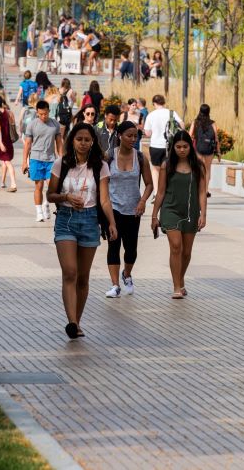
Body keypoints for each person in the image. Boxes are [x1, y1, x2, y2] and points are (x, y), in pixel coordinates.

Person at [46, 122, 118, 339]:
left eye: (87, 140)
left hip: (90, 220)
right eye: (79, 139)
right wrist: (66, 197)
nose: (83, 143)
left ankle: (76, 322)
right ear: (72, 141)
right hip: (66, 220)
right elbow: (50, 195)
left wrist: (112, 223)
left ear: (93, 142)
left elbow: (104, 199)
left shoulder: (100, 166)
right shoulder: (62, 163)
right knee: (70, 271)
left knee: (83, 278)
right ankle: (72, 321)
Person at [151, 130, 206, 299]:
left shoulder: (198, 165)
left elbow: (202, 192)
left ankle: (181, 279)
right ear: (173, 147)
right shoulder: (166, 166)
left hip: (191, 211)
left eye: (185, 146)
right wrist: (154, 216)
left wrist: (203, 214)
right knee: (176, 247)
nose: (182, 150)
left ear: (190, 146)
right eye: (178, 147)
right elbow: (160, 193)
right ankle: (176, 286)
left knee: (187, 252)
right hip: (170, 210)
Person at [105, 121, 153, 298]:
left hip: (134, 210)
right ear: (120, 136)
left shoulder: (140, 158)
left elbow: (149, 184)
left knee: (131, 248)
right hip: (113, 208)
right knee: (113, 245)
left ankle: (126, 274)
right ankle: (115, 285)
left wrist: (142, 201)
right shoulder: (108, 156)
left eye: (135, 135)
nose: (133, 139)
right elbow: (102, 183)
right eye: (129, 135)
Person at [22, 100, 63, 222]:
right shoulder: (32, 125)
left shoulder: (55, 124)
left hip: (51, 159)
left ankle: (46, 203)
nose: (43, 116)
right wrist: (25, 161)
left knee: (53, 187)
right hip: (36, 159)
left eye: (45, 113)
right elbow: (28, 144)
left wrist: (61, 158)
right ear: (37, 113)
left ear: (49, 111)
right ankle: (39, 211)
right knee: (38, 186)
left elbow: (59, 142)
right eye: (41, 114)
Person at [143, 94, 183, 195]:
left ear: (154, 103)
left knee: (156, 169)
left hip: (155, 145)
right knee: (170, 168)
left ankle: (157, 193)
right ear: (164, 102)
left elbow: (147, 133)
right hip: (170, 146)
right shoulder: (171, 113)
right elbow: (182, 125)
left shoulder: (151, 115)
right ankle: (169, 191)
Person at [188, 104, 221, 197]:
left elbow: (190, 135)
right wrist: (218, 152)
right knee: (207, 169)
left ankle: (198, 188)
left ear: (200, 111)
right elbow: (216, 138)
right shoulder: (212, 123)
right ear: (208, 112)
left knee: (198, 168)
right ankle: (206, 190)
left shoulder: (195, 122)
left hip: (198, 149)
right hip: (209, 150)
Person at [0, 95, 17, 192]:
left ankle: (11, 183)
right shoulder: (7, 111)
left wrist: (0, 142)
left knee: (3, 160)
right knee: (6, 160)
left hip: (0, 139)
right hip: (7, 139)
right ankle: (2, 182)